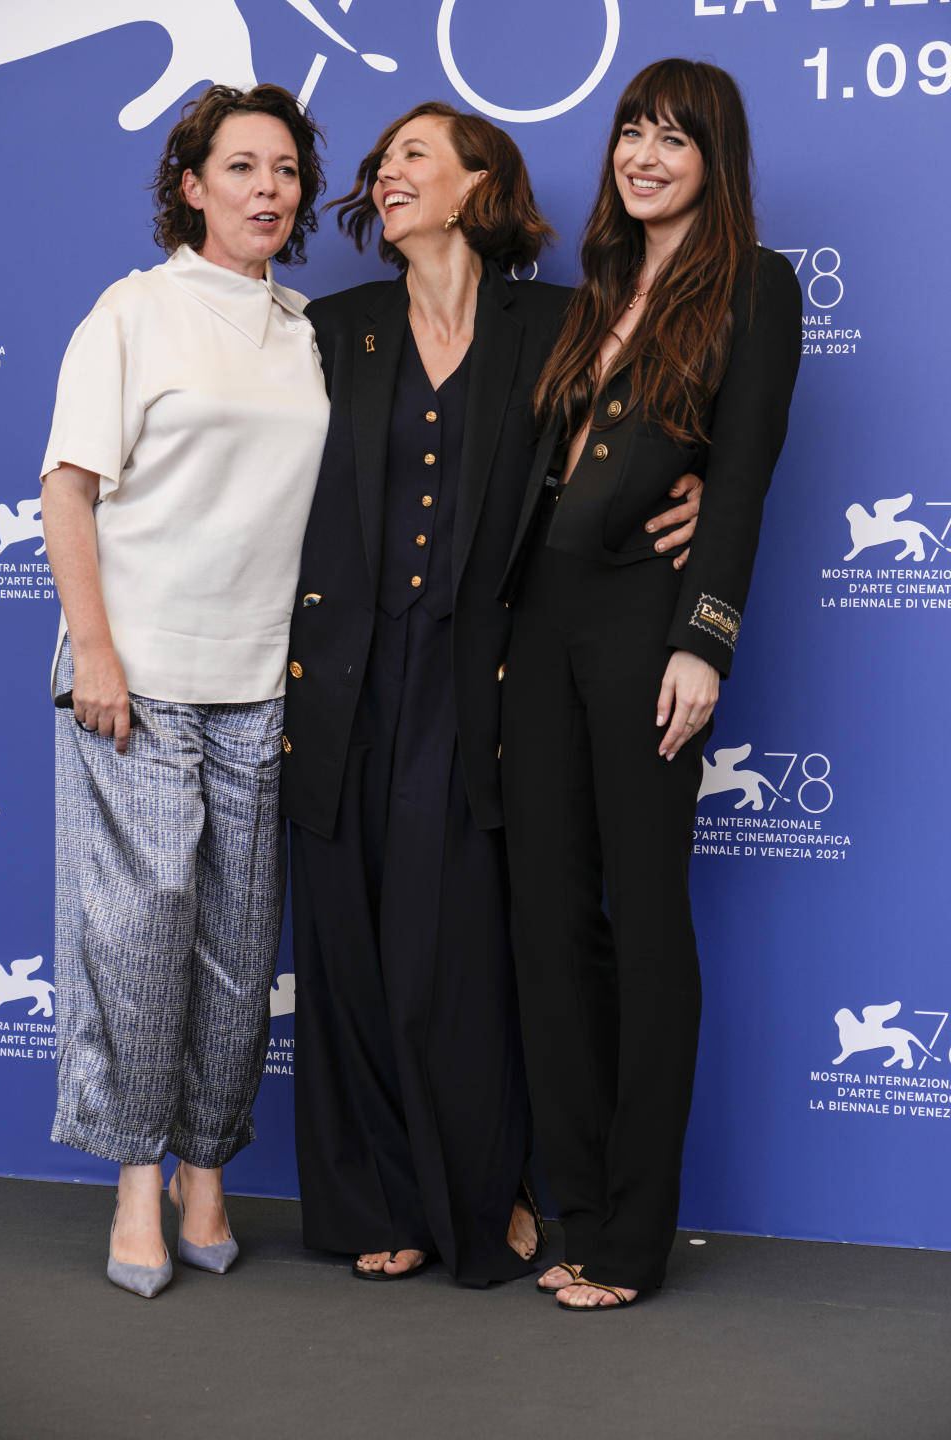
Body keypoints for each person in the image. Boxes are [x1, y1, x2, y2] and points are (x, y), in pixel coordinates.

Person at [279, 101, 702, 1286]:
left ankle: (488, 1187)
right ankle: (382, 1198)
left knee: (460, 945)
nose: (388, 173)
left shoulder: (559, 324)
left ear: (479, 183)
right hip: (345, 674)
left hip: (486, 681)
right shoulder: (333, 326)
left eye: (414, 155)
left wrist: (701, 491)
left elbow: (644, 438)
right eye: (383, 163)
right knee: (352, 940)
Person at [499, 59, 802, 1311]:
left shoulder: (757, 286)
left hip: (645, 627)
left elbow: (741, 482)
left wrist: (705, 637)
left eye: (675, 138)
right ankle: (574, 1212)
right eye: (633, 130)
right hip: (542, 624)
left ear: (714, 160)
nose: (646, 154)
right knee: (549, 924)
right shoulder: (596, 288)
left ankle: (633, 1239)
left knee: (647, 920)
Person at [40, 84, 329, 1297]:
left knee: (237, 942)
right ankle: (134, 1187)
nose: (268, 187)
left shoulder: (309, 329)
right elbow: (67, 487)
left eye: (287, 170)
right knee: (142, 937)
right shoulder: (135, 312)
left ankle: (209, 1169)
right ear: (193, 186)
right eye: (242, 166)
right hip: (140, 672)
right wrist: (93, 648)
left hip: (263, 680)